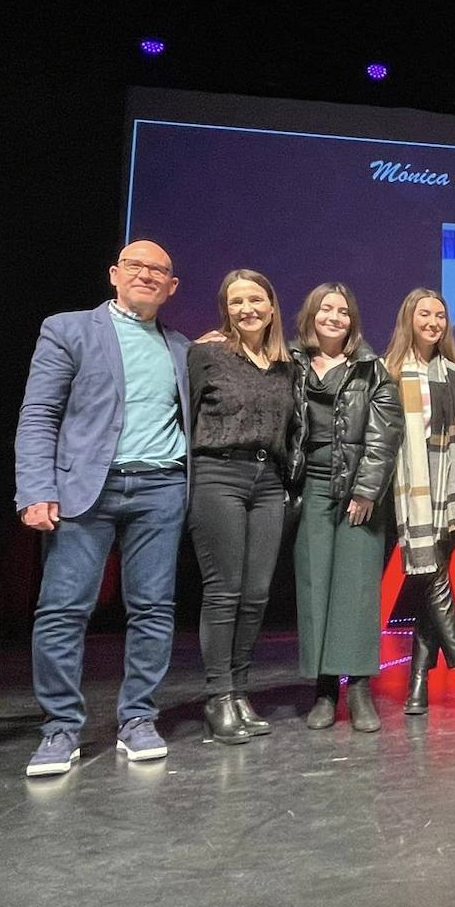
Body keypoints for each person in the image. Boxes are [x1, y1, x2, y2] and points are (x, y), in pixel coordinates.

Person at [15, 240, 189, 776]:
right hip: (84, 489)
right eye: (135, 266)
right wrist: (35, 489)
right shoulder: (67, 329)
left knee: (154, 609)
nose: (146, 275)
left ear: (172, 286)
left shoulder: (181, 346)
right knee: (64, 609)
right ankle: (60, 728)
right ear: (114, 273)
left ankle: (137, 719)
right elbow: (39, 413)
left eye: (158, 270)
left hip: (162, 488)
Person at [289, 283, 403, 731]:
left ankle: (358, 689)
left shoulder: (372, 370)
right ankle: (322, 690)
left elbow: (384, 437)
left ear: (352, 320)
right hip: (310, 488)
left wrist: (367, 490)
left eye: (342, 311)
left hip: (357, 491)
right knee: (315, 587)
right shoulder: (291, 363)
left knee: (355, 591)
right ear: (311, 315)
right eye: (325, 309)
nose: (334, 317)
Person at [186, 269, 294, 744]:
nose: (246, 309)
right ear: (225, 310)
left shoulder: (285, 365)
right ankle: (218, 697)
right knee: (224, 591)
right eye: (236, 302)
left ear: (272, 306)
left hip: (267, 479)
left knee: (255, 595)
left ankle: (241, 691)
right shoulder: (206, 353)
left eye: (255, 299)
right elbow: (183, 416)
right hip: (217, 475)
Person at [384, 289, 455, 718]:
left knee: (434, 585)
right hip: (411, 487)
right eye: (424, 314)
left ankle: (417, 683)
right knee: (434, 580)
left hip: (450, 488)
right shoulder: (389, 370)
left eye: (440, 315)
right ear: (408, 318)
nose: (432, 322)